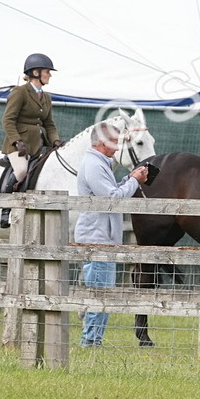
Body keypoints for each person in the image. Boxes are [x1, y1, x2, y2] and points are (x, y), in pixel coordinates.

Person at [75, 121, 150, 347]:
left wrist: (129, 180)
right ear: (101, 143)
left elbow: (111, 191)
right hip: (98, 237)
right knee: (100, 293)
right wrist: (134, 181)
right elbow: (112, 200)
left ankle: (92, 339)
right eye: (113, 143)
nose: (117, 148)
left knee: (103, 292)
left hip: (102, 235)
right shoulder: (95, 165)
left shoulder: (99, 164)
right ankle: (90, 341)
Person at [0, 53, 62, 228]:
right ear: (35, 72)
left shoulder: (46, 97)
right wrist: (16, 141)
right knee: (20, 171)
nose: (49, 75)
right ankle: (6, 211)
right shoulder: (20, 92)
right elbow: (8, 120)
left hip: (39, 144)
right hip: (19, 145)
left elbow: (49, 124)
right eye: (47, 72)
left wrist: (55, 140)